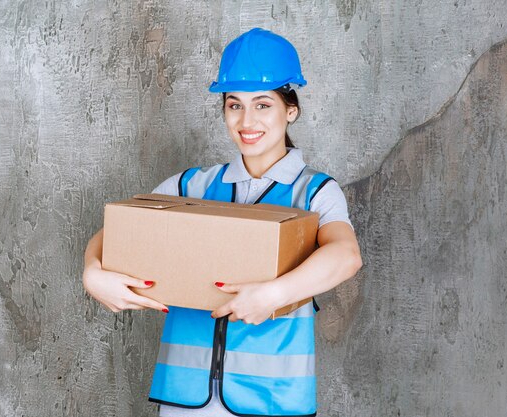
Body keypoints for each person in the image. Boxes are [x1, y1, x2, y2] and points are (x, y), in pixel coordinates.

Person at [82, 28, 362, 417]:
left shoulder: (314, 192)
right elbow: (118, 230)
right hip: (184, 396)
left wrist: (272, 296)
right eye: (235, 105)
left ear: (290, 110)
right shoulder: (191, 185)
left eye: (263, 105)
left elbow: (346, 256)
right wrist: (92, 271)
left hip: (271, 400)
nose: (247, 120)